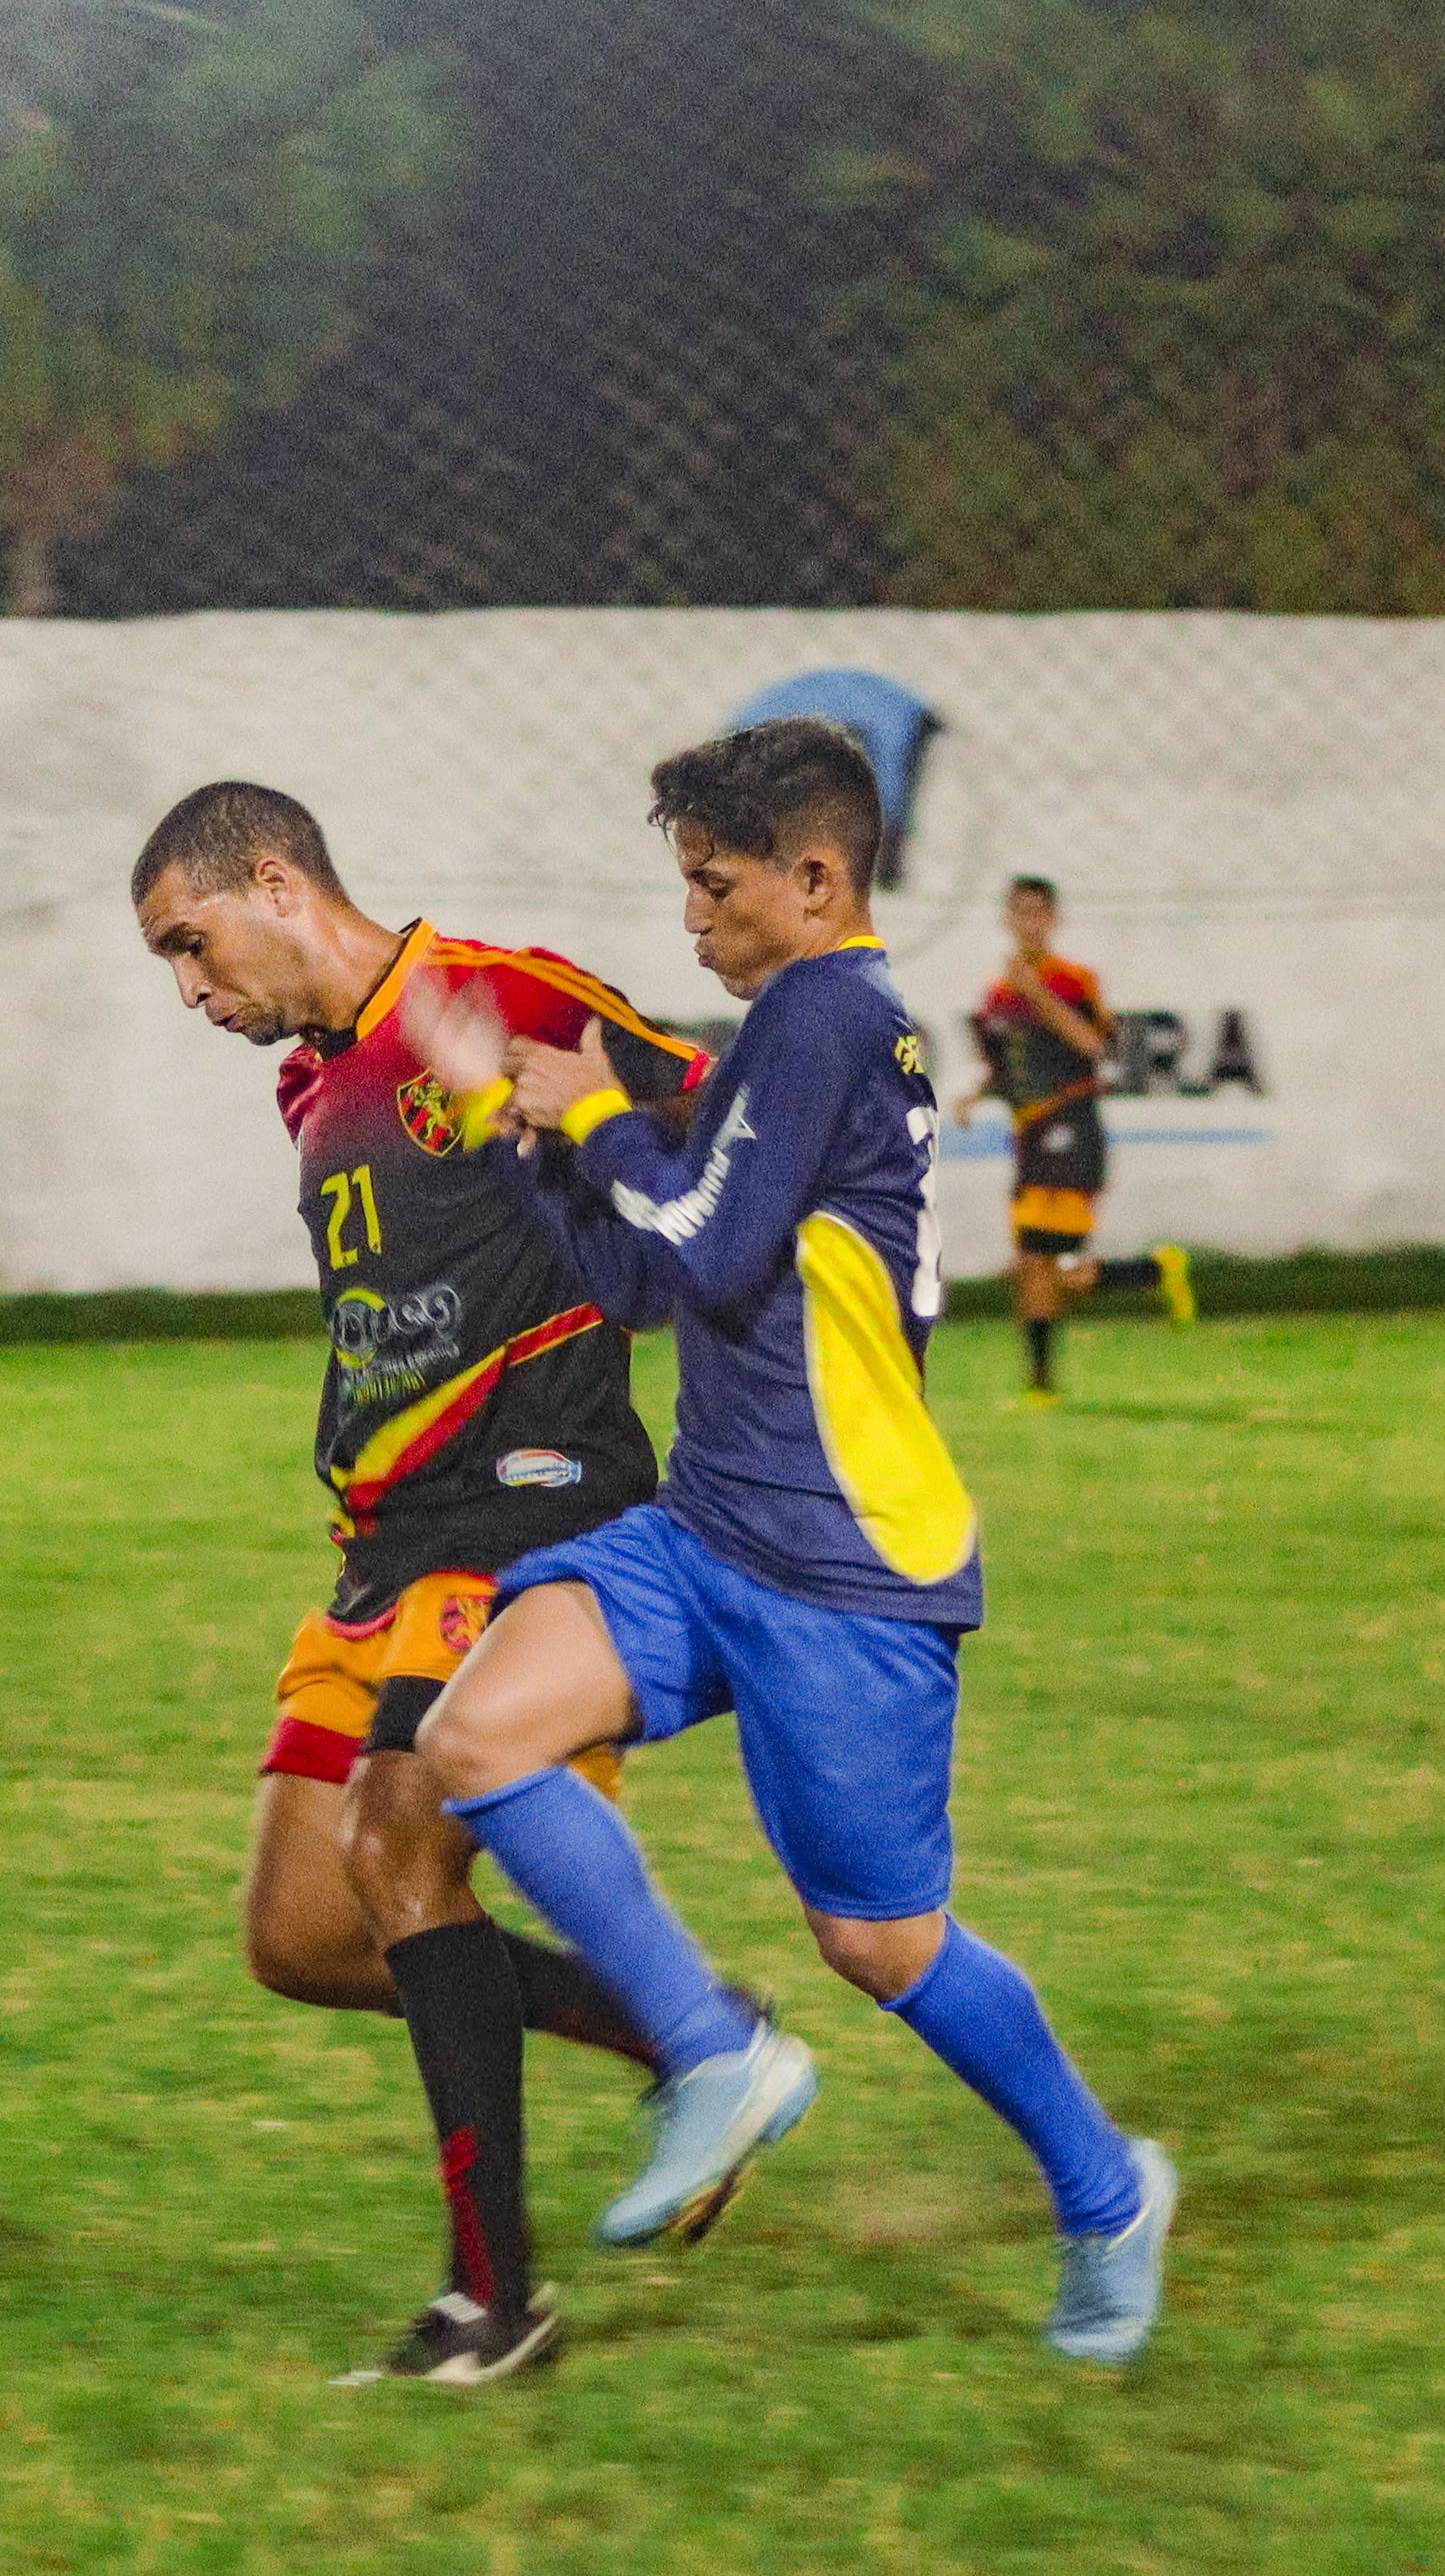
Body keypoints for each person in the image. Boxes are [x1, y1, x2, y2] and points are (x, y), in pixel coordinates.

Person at [404, 717, 1175, 2368]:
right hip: (705, 1527)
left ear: (816, 880)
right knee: (476, 1734)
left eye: (716, 883)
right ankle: (711, 2049)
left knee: (881, 1942)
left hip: (843, 1565)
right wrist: (527, 1140)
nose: (691, 915)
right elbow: (644, 1277)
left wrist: (596, 1112)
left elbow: (704, 1242)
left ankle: (1109, 2192)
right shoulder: (786, 1031)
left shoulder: (831, 1014)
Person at [131, 782, 777, 2389]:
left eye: (190, 943)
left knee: (398, 1846)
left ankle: (494, 2305)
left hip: (533, 1507)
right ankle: (682, 2024)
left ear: (273, 881)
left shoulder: (497, 995)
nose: (188, 988)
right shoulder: (310, 1082)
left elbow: (727, 1126)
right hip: (382, 1542)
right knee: (303, 1932)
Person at [951, 874, 1193, 1401]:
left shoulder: (1074, 981)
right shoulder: (997, 994)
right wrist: (971, 1092)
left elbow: (1093, 1045)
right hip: (1030, 1135)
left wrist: (1036, 992)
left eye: (1039, 912)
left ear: (1054, 919)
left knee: (1045, 1262)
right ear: (1006, 920)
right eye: (1021, 912)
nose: (1030, 923)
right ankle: (1149, 1275)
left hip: (1072, 1126)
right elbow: (998, 1063)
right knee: (1042, 1267)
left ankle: (1047, 1379)